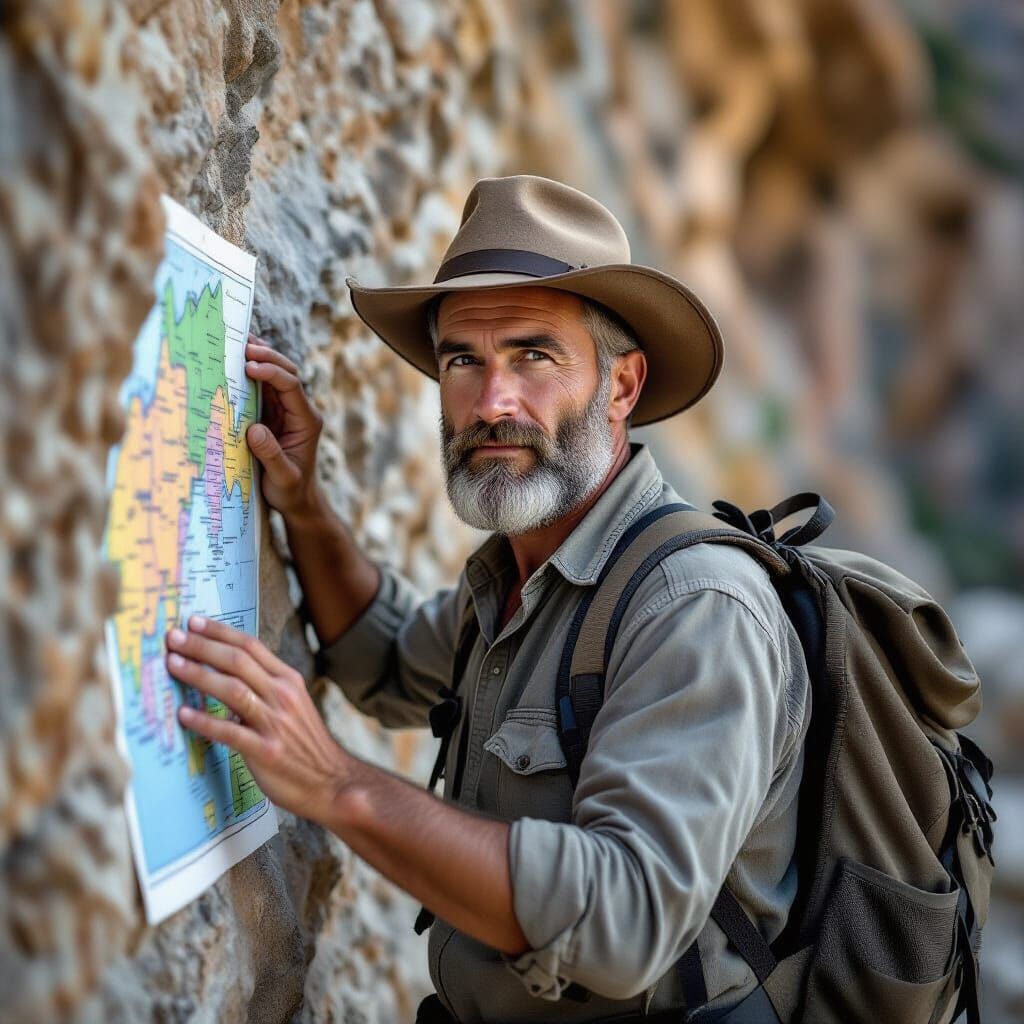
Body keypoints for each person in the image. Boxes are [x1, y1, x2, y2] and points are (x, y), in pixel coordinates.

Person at [165, 175, 810, 1022]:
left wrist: (335, 784)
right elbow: (385, 659)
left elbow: (625, 922)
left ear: (621, 387)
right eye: (462, 359)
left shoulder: (695, 607)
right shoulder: (518, 577)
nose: (492, 402)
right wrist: (303, 506)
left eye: (534, 355)